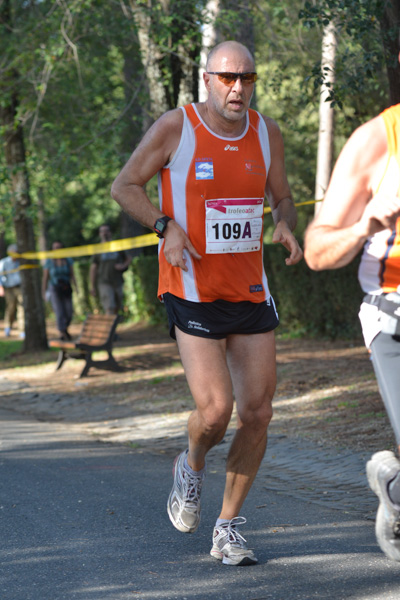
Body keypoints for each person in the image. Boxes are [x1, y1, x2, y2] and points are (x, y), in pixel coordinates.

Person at [111, 40, 303, 566]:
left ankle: (227, 527)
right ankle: (190, 465)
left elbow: (280, 194)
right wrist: (164, 225)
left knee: (259, 412)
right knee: (216, 412)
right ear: (207, 79)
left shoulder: (266, 133)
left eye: (246, 78)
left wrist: (284, 220)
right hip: (191, 286)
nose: (237, 88)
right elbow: (124, 185)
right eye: (227, 78)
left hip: (248, 289)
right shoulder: (178, 128)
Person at [304, 44, 400, 562]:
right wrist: (366, 225)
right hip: (394, 318)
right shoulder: (376, 142)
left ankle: (394, 486)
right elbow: (317, 250)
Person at [89, 224, 132, 315]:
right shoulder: (97, 249)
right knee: (109, 307)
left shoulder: (117, 246)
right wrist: (92, 286)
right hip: (104, 282)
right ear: (99, 234)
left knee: (117, 306)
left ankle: (113, 327)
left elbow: (128, 258)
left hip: (118, 281)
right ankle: (111, 328)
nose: (104, 233)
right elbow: (93, 268)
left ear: (110, 232)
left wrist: (123, 266)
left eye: (106, 230)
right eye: (102, 231)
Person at [42, 241, 78, 340]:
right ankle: (62, 332)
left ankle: (65, 328)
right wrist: (44, 292)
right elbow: (45, 278)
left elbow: (72, 274)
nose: (57, 249)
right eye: (55, 247)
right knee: (59, 311)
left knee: (69, 312)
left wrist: (76, 287)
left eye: (59, 247)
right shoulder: (49, 261)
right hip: (55, 288)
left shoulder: (68, 260)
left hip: (66, 287)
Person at [0, 244, 25, 338]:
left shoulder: (21, 262)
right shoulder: (4, 262)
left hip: (19, 287)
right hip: (9, 289)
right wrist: (1, 287)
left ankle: (22, 330)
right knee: (10, 308)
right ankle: (7, 327)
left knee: (22, 308)